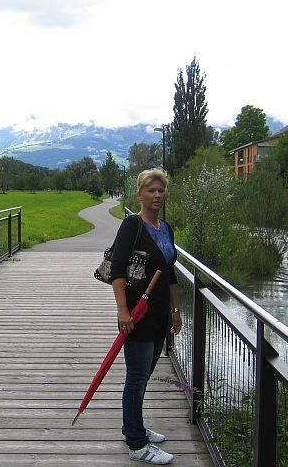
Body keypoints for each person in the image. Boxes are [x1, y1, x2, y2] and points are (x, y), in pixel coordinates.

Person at [109, 168, 181, 465]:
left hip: (160, 315)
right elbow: (117, 269)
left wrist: (176, 311)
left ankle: (133, 427)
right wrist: (123, 310)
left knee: (144, 376)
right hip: (137, 315)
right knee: (136, 379)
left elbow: (170, 272)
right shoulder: (131, 225)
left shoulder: (166, 228)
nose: (157, 195)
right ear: (139, 194)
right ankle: (137, 445)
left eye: (161, 191)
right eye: (151, 190)